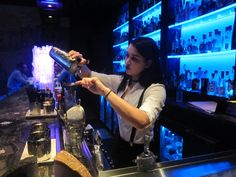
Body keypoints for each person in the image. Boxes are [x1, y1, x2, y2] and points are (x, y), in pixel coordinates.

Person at [68, 37, 166, 168]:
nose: (127, 62)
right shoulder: (123, 81)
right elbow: (88, 74)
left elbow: (142, 121)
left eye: (134, 59)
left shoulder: (156, 89)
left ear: (148, 63)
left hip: (141, 152)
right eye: (127, 56)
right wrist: (79, 62)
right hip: (120, 143)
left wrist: (106, 92)